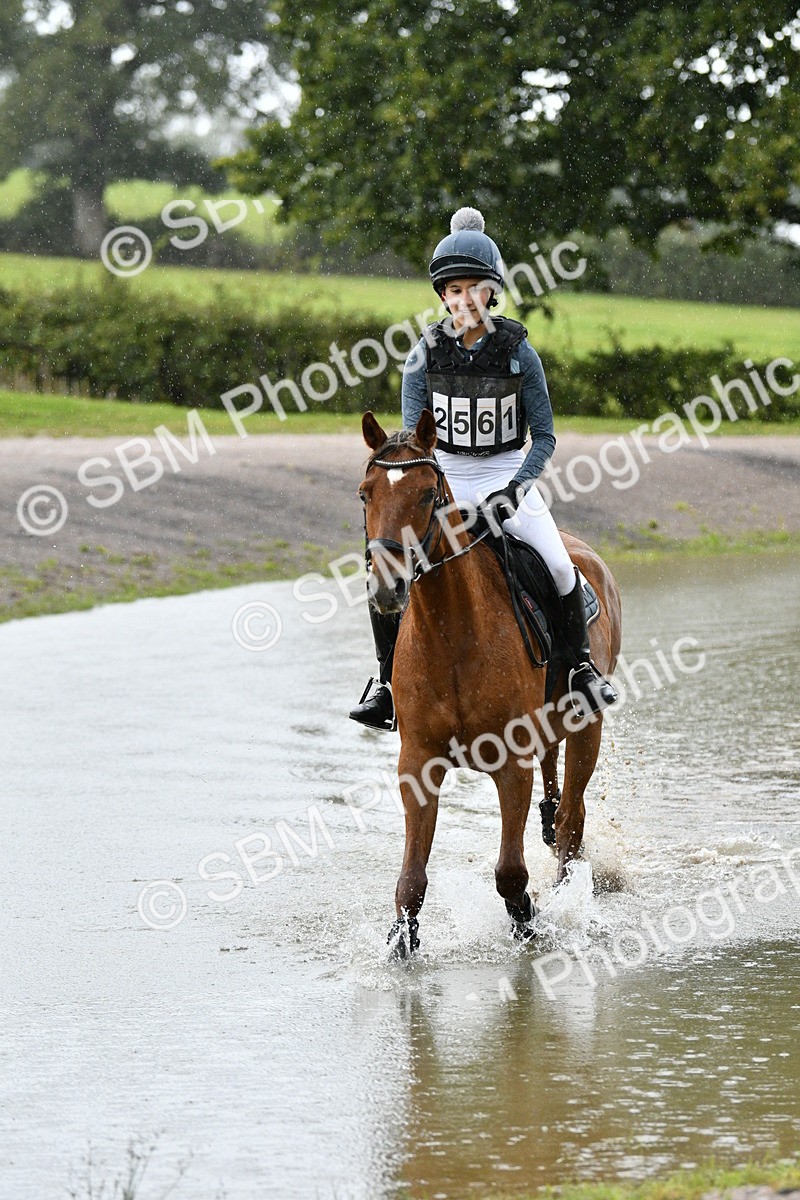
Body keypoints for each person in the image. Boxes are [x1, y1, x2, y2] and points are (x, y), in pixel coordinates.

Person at [349, 206, 618, 731]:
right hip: (445, 475)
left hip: (504, 473)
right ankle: (385, 682)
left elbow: (546, 437)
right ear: (443, 296)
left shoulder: (520, 355)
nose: (464, 299)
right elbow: (415, 448)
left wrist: (515, 492)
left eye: (474, 288)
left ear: (491, 292)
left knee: (561, 567)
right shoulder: (422, 357)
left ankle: (581, 671)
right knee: (389, 565)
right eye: (454, 290)